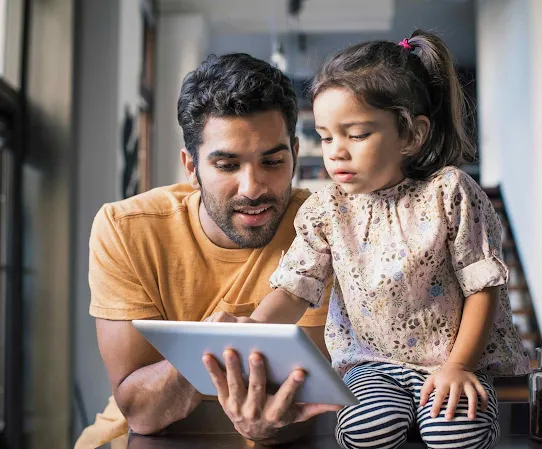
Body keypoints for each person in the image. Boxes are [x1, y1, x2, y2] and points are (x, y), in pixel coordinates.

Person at [211, 30, 532, 449]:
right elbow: (294, 288)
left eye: (356, 135)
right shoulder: (326, 209)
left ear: (412, 135)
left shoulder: (450, 192)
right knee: (367, 431)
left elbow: (482, 288)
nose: (336, 152)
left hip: (451, 360)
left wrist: (458, 367)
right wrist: (254, 326)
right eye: (326, 137)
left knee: (454, 434)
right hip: (372, 366)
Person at [74, 53, 338, 449]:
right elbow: (141, 411)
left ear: (295, 156)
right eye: (227, 165)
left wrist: (267, 421)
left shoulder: (324, 226)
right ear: (190, 167)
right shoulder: (125, 229)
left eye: (272, 161)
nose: (252, 188)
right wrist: (212, 346)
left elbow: (307, 396)